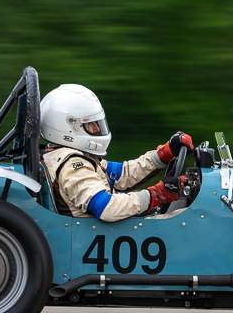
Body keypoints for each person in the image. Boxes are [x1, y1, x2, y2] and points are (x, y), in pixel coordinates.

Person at [40, 83, 194, 222]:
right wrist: (155, 195)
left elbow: (122, 174)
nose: (97, 129)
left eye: (97, 123)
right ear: (68, 127)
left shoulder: (67, 156)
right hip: (96, 238)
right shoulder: (73, 165)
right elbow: (107, 209)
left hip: (107, 234)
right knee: (194, 221)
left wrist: (163, 154)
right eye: (90, 124)